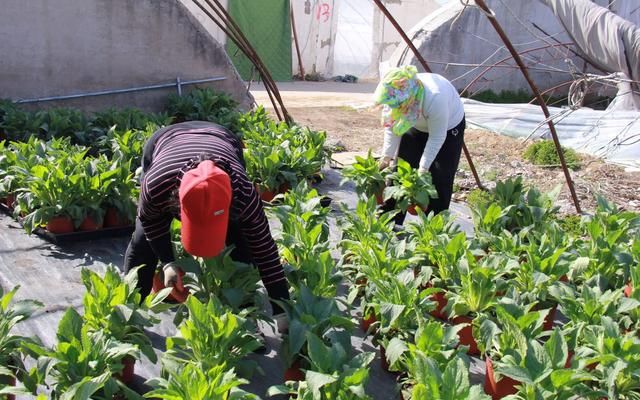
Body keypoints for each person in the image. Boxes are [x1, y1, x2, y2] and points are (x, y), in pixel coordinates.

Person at [123, 121, 289, 332]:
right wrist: (167, 263)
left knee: (242, 244)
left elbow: (264, 250)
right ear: (178, 205)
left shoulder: (243, 192)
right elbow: (150, 221)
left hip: (221, 139)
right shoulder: (157, 185)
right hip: (164, 142)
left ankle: (244, 318)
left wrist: (281, 307)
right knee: (141, 244)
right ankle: (128, 315)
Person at [374, 65, 465, 225]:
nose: (395, 108)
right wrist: (385, 157)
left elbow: (437, 137)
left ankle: (434, 229)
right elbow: (392, 127)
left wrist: (423, 168)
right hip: (415, 125)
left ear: (410, 100)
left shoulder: (435, 97)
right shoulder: (394, 93)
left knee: (440, 176)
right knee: (401, 169)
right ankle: (388, 221)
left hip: (448, 129)